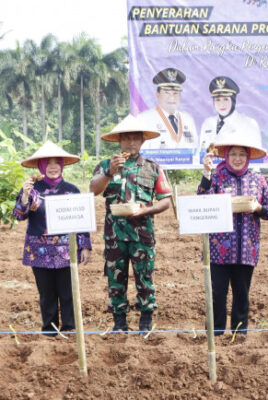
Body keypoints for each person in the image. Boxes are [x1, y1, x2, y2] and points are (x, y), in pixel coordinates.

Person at [89, 115, 172, 333]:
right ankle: (119, 322)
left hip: (142, 234)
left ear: (143, 141)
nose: (130, 143)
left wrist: (148, 209)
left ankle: (146, 320)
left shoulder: (152, 168)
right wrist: (109, 172)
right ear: (119, 141)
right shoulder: (106, 165)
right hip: (115, 236)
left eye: (135, 139)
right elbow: (93, 190)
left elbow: (165, 201)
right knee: (116, 279)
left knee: (144, 276)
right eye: (126, 139)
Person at [197, 124, 268, 336]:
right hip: (218, 249)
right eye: (233, 154)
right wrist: (206, 172)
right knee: (217, 294)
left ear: (248, 156)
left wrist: (257, 207)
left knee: (242, 294)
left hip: (247, 247)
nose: (238, 158)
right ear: (227, 156)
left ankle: (239, 335)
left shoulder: (260, 180)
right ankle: (215, 333)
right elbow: (202, 200)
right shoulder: (216, 177)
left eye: (242, 154)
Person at [14, 141, 91, 336]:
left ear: (62, 165)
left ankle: (69, 329)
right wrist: (24, 195)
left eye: (57, 162)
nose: (53, 166)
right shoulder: (32, 189)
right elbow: (19, 215)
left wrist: (85, 246)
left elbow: (81, 219)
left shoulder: (71, 190)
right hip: (38, 251)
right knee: (47, 293)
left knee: (67, 292)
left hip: (66, 249)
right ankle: (49, 330)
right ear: (41, 166)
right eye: (48, 163)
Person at [198, 76, 261, 162]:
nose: (221, 104)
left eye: (226, 99)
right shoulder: (207, 123)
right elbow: (201, 154)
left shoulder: (249, 124)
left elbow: (256, 158)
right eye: (217, 100)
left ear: (233, 100)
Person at [138, 67, 198, 151]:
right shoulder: (144, 119)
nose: (172, 97)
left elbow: (195, 149)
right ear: (158, 94)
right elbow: (141, 153)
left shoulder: (188, 119)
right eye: (167, 93)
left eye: (175, 93)